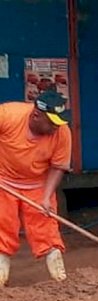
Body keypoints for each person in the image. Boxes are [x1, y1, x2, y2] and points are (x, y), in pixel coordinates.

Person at [0, 88, 71, 286]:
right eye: (51, 123)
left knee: (46, 228)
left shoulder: (62, 132)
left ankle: (60, 280)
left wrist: (46, 197)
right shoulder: (8, 115)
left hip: (38, 184)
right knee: (2, 226)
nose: (55, 128)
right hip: (3, 181)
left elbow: (58, 166)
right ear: (36, 114)